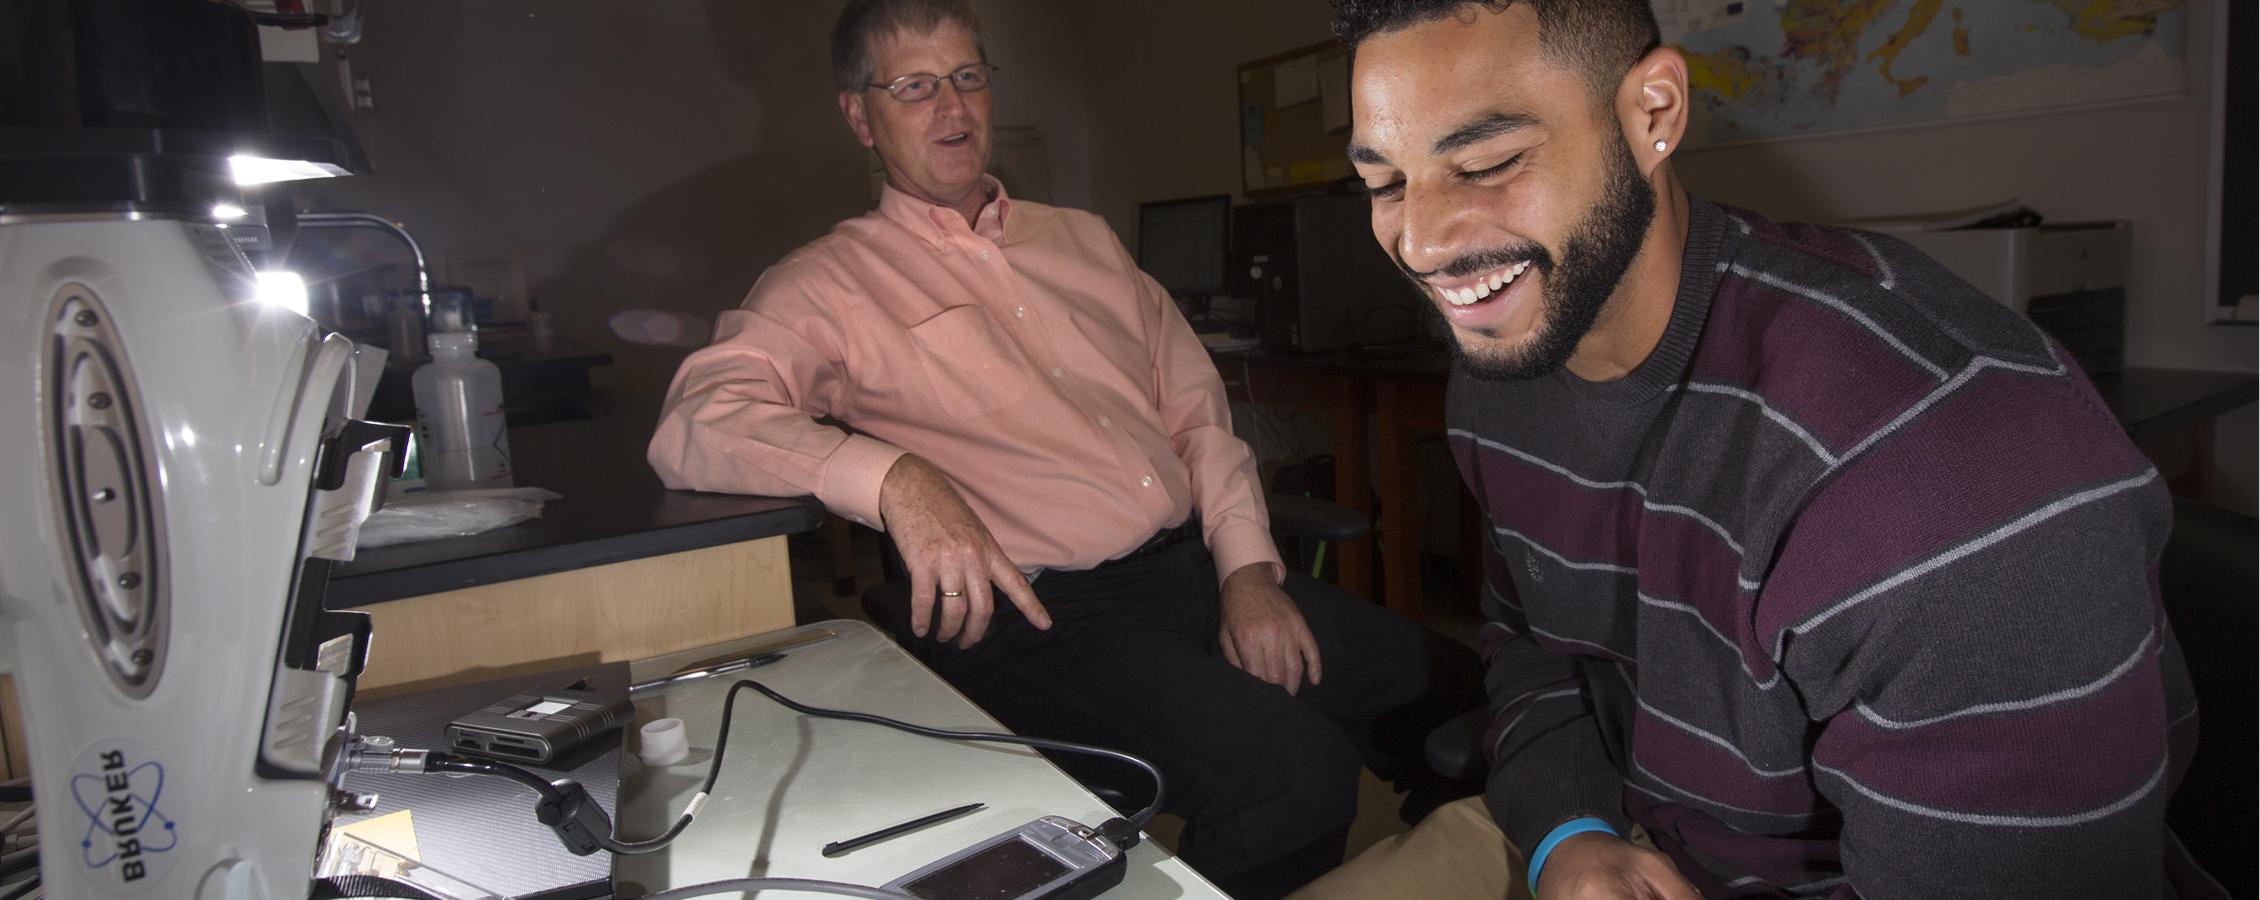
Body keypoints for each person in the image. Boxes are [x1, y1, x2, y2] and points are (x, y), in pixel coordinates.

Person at [1293, 1, 2222, 898]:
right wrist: (1568, 834)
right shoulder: (1504, 363)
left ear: (1653, 113)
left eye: (1489, 162)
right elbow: (1531, 648)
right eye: (1382, 182)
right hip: (1617, 826)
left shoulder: (1946, 471)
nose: (1418, 240)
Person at [646, 1, 1481, 895]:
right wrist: (894, 477)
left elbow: (1198, 411)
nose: (953, 107)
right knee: (1293, 778)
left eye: (969, 77)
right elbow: (695, 423)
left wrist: (1246, 572)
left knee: (1461, 693)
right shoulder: (826, 282)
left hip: (1195, 570)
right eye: (915, 86)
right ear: (860, 114)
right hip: (1046, 618)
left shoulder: (1083, 241)